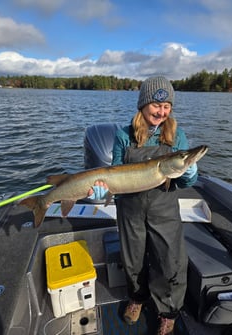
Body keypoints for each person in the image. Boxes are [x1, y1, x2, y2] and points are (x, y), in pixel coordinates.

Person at [88, 76, 198, 335]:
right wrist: (102, 192)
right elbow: (114, 173)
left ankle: (167, 312)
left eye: (167, 106)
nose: (161, 112)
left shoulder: (177, 135)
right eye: (156, 106)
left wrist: (189, 174)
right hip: (131, 209)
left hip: (164, 210)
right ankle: (137, 298)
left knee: (169, 261)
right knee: (133, 260)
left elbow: (181, 181)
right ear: (143, 104)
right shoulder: (123, 135)